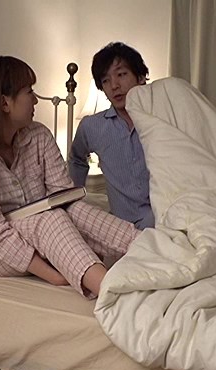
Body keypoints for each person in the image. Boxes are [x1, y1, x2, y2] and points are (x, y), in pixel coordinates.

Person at [0, 54, 139, 297]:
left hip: (29, 225)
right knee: (50, 220)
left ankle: (151, 248)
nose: (35, 99)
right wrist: (54, 275)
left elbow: (64, 197)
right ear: (5, 103)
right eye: (29, 91)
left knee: (74, 210)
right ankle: (114, 293)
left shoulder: (38, 135)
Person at [68, 43, 154, 230]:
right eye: (106, 80)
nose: (114, 86)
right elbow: (76, 159)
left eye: (121, 75)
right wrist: (74, 199)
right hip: (123, 227)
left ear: (140, 77)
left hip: (163, 218)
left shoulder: (160, 120)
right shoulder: (92, 126)